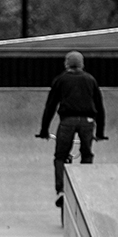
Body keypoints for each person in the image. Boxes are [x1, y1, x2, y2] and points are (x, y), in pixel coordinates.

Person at [37, 49, 107, 208]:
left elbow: (51, 106)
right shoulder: (91, 80)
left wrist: (44, 130)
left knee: (60, 156)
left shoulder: (61, 80)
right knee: (87, 154)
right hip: (88, 122)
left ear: (66, 64)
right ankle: (85, 189)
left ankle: (61, 190)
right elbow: (100, 107)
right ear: (82, 64)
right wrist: (100, 132)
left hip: (67, 121)